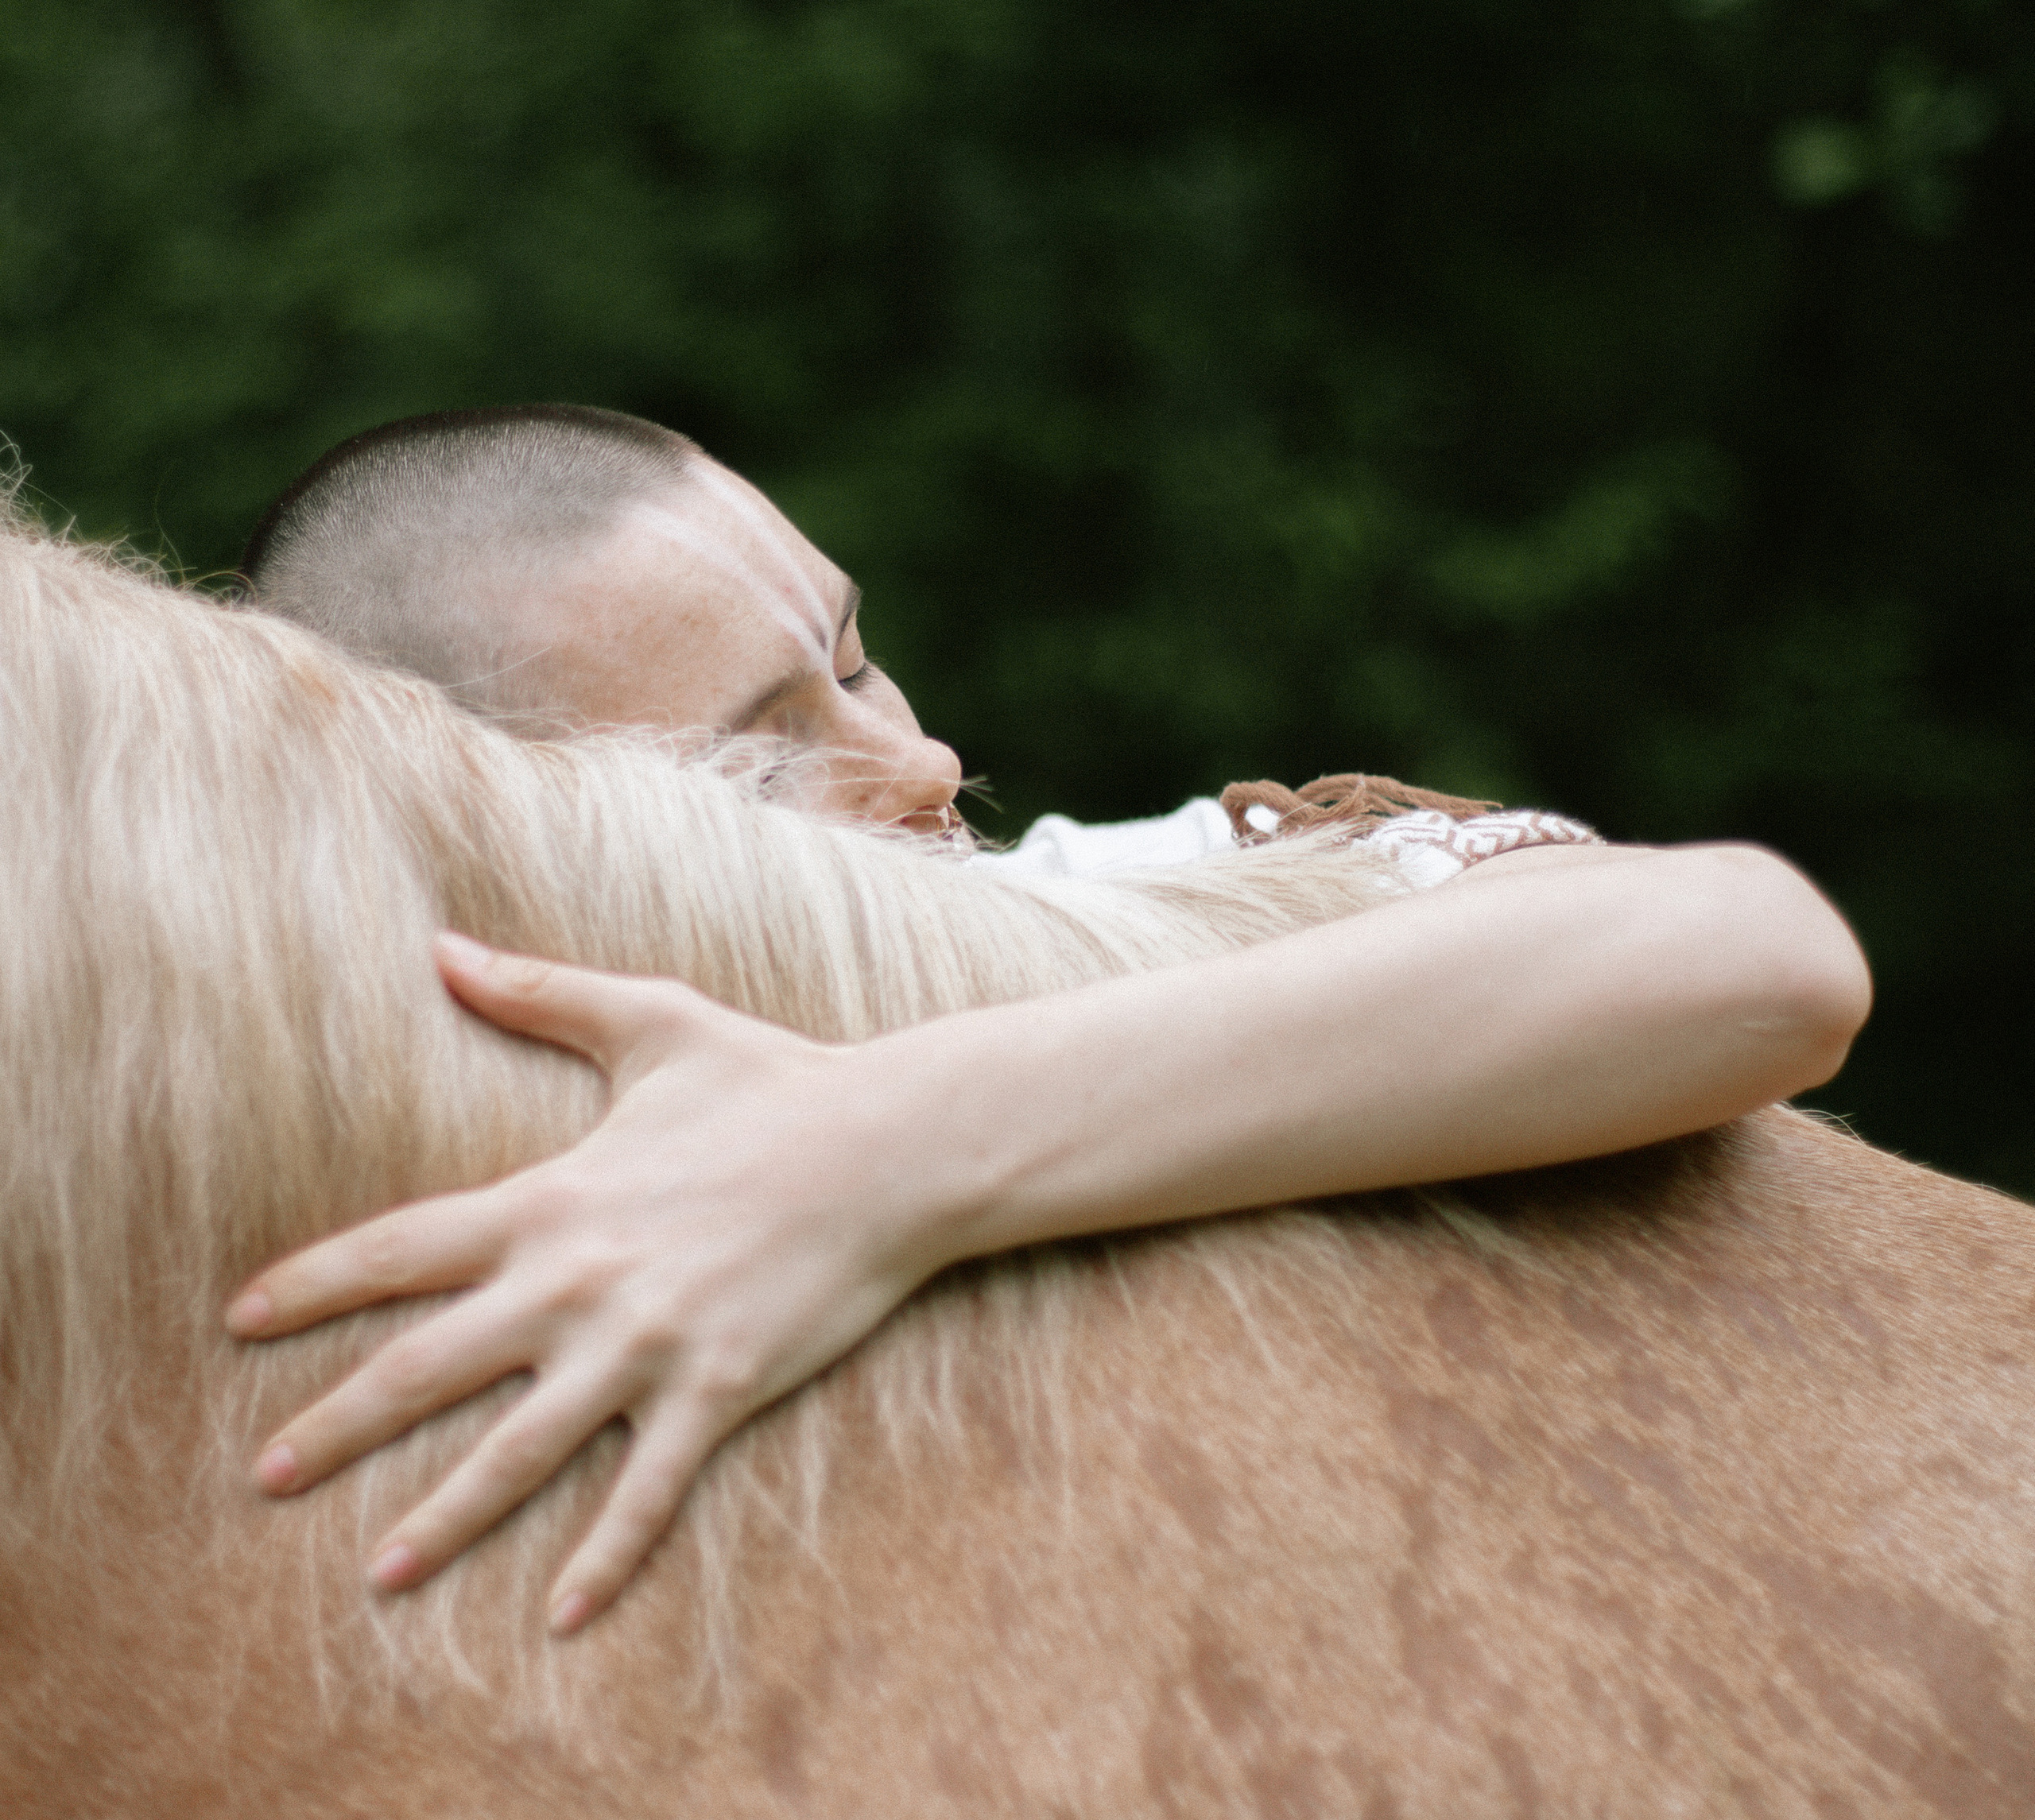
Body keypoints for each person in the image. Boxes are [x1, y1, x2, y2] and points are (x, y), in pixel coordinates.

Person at [231, 405, 1871, 1635]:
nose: (926, 765)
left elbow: (1753, 962)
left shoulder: (1123, 893)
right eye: (765, 748)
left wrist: (872, 1146)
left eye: (858, 667)